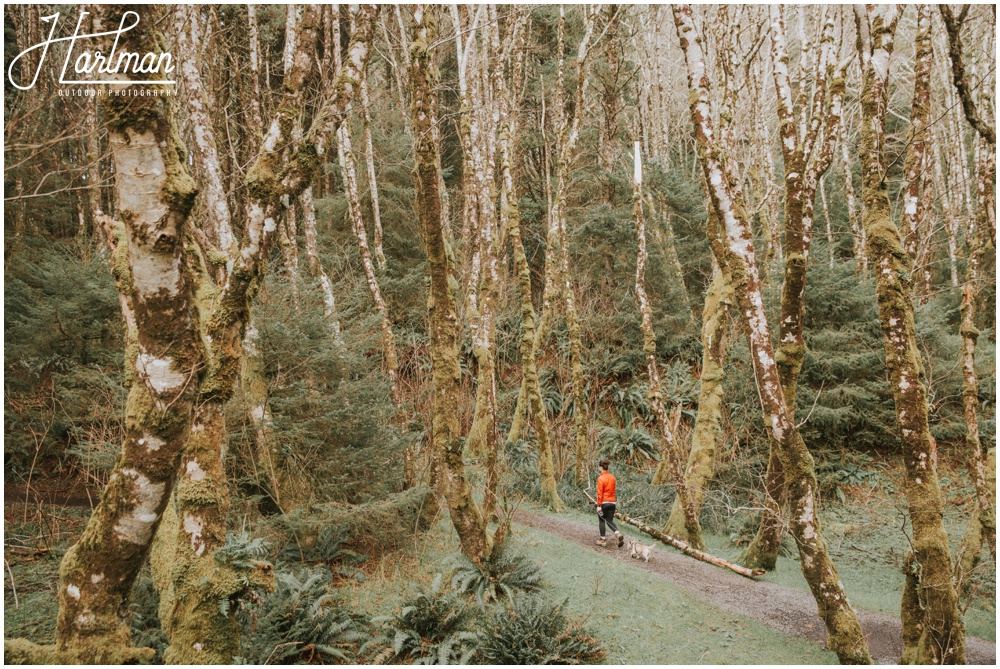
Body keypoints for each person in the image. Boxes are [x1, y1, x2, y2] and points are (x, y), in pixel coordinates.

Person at [595, 459, 623, 547]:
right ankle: (617, 533)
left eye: (599, 467)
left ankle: (602, 540)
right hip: (612, 503)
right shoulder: (613, 478)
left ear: (601, 467)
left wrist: (599, 505)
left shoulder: (600, 478)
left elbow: (600, 493)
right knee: (609, 520)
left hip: (604, 502)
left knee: (602, 520)